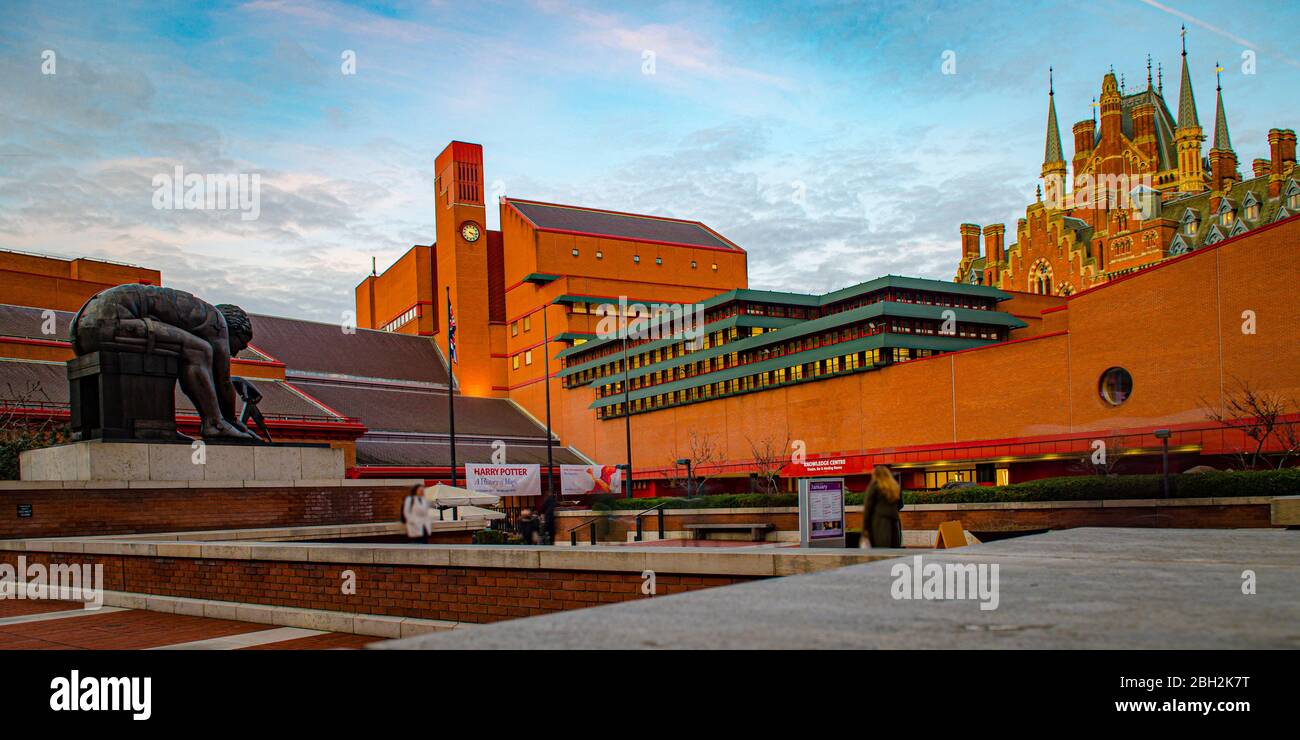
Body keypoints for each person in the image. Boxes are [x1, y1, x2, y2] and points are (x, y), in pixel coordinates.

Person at [70, 284, 258, 441]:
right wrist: (232, 421)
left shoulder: (197, 313)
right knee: (199, 350)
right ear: (235, 330)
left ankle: (158, 427)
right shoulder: (217, 321)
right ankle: (215, 424)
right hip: (110, 321)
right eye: (239, 345)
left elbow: (214, 377)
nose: (233, 353)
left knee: (179, 349)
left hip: (81, 330)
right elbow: (222, 379)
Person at [861, 465, 902, 548]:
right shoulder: (895, 487)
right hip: (895, 521)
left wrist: (865, 528)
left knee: (881, 550)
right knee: (894, 549)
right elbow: (900, 504)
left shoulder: (875, 486)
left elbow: (868, 508)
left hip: (880, 522)